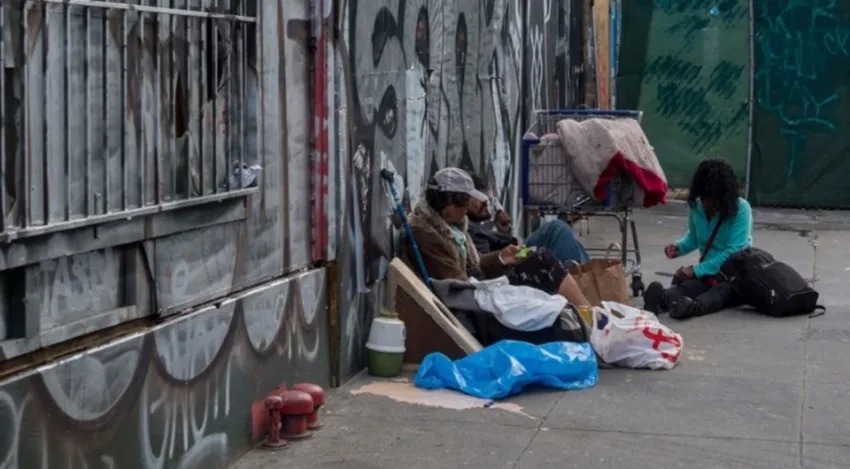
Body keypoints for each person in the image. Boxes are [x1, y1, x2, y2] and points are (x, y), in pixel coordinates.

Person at [401, 167, 591, 307]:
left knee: (545, 257)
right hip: (475, 302)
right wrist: (498, 281)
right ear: (448, 202)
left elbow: (474, 265)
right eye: (464, 203)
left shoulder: (452, 227)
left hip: (479, 290)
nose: (467, 209)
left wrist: (502, 258)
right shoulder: (426, 235)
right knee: (544, 260)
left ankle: (588, 311)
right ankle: (589, 314)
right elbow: (458, 286)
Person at [643, 158, 753, 319]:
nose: (707, 203)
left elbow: (734, 251)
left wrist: (696, 270)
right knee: (689, 288)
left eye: (713, 199)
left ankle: (691, 307)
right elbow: (694, 238)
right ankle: (662, 298)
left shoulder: (741, 209)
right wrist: (678, 247)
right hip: (708, 273)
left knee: (721, 293)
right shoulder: (697, 206)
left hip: (734, 275)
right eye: (704, 197)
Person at [466, 175, 590, 265]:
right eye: (480, 199)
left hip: (516, 250)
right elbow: (487, 264)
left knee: (561, 234)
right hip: (514, 258)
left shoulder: (476, 224)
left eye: (488, 200)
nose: (486, 205)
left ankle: (585, 273)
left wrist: (504, 232)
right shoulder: (471, 230)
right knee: (558, 230)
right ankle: (579, 276)